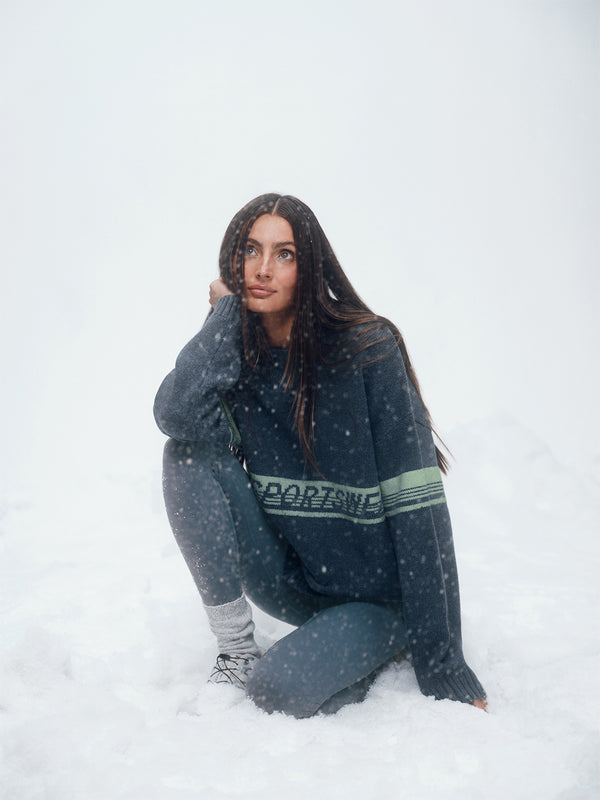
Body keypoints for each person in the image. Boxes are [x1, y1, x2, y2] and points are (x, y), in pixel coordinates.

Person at [154, 193, 487, 718]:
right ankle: (237, 652)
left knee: (277, 692)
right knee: (187, 454)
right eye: (250, 251)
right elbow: (177, 414)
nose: (264, 269)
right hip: (294, 582)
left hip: (376, 599)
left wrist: (442, 660)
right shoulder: (238, 354)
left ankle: (367, 645)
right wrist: (223, 317)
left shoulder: (367, 349)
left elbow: (417, 502)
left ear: (310, 266)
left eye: (284, 254)